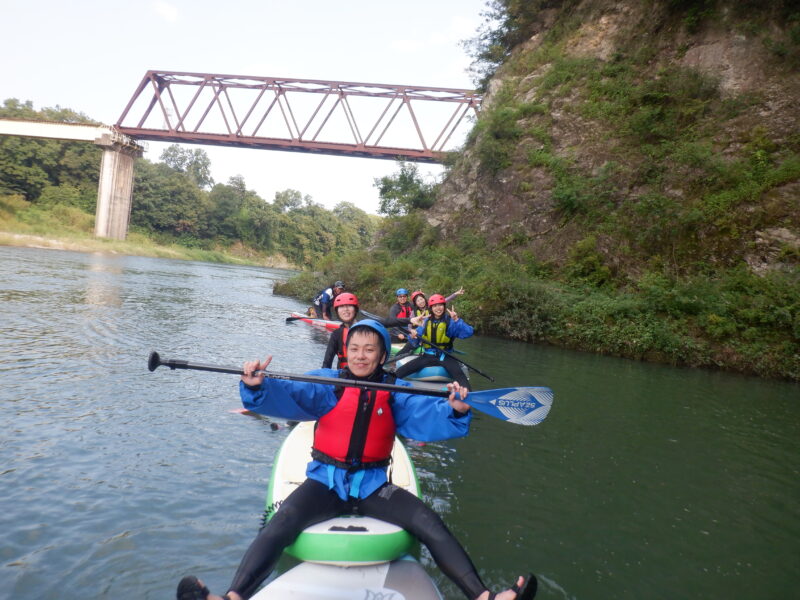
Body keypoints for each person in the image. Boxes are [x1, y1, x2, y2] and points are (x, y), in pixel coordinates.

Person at [175, 319, 535, 600]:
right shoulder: (328, 383)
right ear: (347, 351)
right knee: (280, 522)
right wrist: (256, 386)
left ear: (381, 355)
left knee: (430, 523)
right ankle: (234, 594)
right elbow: (290, 394)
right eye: (356, 349)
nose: (362, 355)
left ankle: (484, 594)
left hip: (374, 486)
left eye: (370, 350)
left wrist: (453, 409)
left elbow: (427, 417)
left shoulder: (396, 392)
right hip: (325, 482)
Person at [394, 294, 473, 389]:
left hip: (445, 356)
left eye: (440, 305)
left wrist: (457, 320)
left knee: (461, 377)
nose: (438, 308)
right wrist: (413, 336)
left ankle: (470, 397)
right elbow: (414, 342)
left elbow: (468, 333)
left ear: (444, 306)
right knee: (400, 372)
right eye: (435, 306)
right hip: (427, 356)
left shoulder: (450, 321)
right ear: (431, 308)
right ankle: (387, 386)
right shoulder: (426, 321)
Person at [321, 292, 359, 369]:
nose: (345, 309)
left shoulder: (367, 330)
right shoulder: (336, 334)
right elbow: (327, 363)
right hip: (343, 376)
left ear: (355, 309)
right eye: (341, 306)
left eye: (349, 306)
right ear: (337, 311)